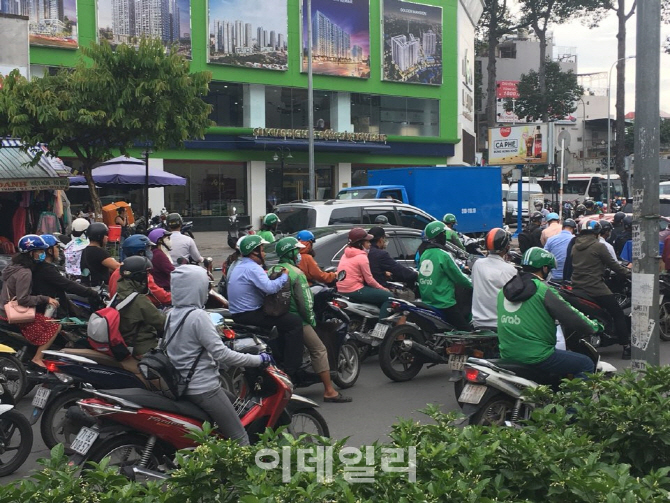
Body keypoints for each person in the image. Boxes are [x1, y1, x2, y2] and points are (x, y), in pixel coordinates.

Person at [166, 264, 272, 446]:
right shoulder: (198, 316)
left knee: (240, 408)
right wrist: (257, 360)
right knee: (240, 437)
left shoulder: (171, 314)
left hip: (181, 385)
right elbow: (223, 354)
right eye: (206, 287)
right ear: (195, 287)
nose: (208, 292)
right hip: (203, 388)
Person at [497, 247, 601, 379]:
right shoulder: (543, 289)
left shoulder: (504, 291)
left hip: (508, 353)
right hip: (537, 356)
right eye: (549, 269)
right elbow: (571, 315)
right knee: (586, 363)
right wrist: (594, 326)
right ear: (544, 268)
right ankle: (571, 400)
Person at [273, 237, 351, 403]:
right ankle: (330, 391)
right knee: (319, 349)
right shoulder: (296, 273)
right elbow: (305, 303)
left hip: (276, 319)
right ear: (291, 253)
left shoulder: (272, 269)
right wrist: (311, 321)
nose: (299, 254)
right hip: (297, 319)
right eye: (297, 251)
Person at [227, 235, 305, 380]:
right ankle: (292, 369)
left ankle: (279, 358)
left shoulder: (240, 265)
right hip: (250, 313)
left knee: (282, 322)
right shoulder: (252, 267)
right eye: (262, 250)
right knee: (294, 322)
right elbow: (270, 288)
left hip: (239, 312)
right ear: (253, 252)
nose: (264, 253)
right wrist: (284, 277)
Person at [570, 219, 632, 359]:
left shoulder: (575, 246)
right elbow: (614, 266)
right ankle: (626, 347)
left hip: (577, 286)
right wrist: (629, 273)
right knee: (617, 313)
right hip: (595, 287)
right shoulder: (599, 247)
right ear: (598, 233)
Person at [0, 235, 61, 367]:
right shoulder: (25, 273)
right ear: (31, 253)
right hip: (12, 314)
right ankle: (37, 358)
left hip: (4, 310)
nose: (42, 254)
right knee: (54, 326)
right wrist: (45, 299)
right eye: (39, 251)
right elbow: (23, 299)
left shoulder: (13, 267)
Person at [417, 221, 472, 330]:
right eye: (443, 234)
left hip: (427, 300)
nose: (445, 237)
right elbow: (459, 277)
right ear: (438, 236)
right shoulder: (443, 255)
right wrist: (473, 284)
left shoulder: (424, 254)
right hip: (443, 302)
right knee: (465, 331)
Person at [33, 234, 99, 319]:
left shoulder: (43, 267)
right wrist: (91, 293)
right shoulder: (46, 269)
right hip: (52, 314)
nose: (59, 250)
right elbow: (68, 285)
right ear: (50, 251)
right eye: (57, 247)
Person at [115, 256, 166, 357]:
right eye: (146, 274)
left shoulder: (119, 294)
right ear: (139, 276)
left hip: (128, 342)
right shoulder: (138, 300)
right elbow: (163, 323)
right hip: (144, 348)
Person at [336, 228, 392, 318]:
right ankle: (381, 327)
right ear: (360, 244)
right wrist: (383, 288)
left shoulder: (345, 254)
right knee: (389, 297)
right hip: (354, 290)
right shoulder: (362, 257)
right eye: (367, 242)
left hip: (341, 289)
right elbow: (369, 280)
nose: (370, 244)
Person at [471, 228, 516, 330]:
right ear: (507, 248)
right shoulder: (510, 270)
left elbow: (473, 284)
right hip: (501, 323)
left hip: (478, 322)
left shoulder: (478, 264)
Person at [108, 235, 171, 306]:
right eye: (148, 249)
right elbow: (162, 297)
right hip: (137, 312)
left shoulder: (117, 271)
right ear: (141, 252)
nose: (150, 252)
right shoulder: (140, 273)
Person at [80, 223, 121, 287]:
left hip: (88, 286)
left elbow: (99, 267)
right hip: (99, 288)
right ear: (99, 236)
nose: (107, 237)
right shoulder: (98, 252)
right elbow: (118, 267)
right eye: (106, 235)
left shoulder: (86, 250)